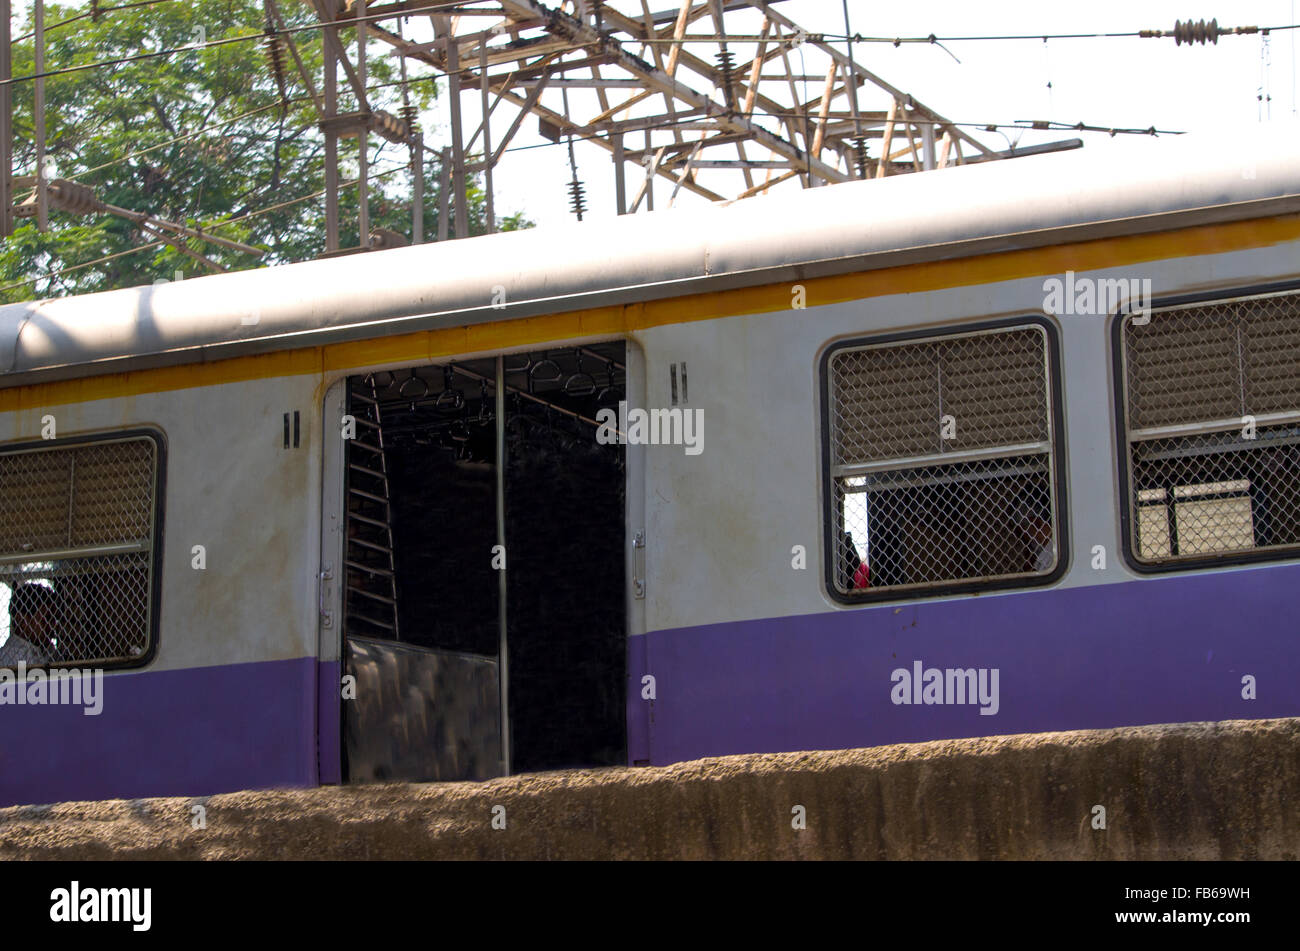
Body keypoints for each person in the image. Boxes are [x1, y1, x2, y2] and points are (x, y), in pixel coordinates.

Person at [0, 583, 58, 668]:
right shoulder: (11, 657)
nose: (53, 626)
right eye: (47, 619)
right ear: (22, 620)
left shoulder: (49, 650)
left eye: (54, 619)